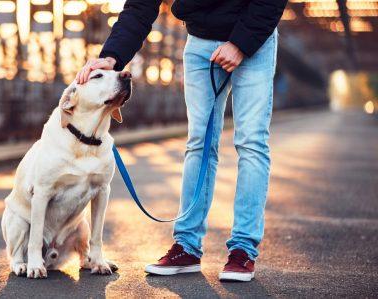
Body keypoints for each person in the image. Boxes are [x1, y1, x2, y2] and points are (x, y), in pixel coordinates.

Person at [77, 0, 287, 282]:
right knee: (198, 143)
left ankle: (242, 250)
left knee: (251, 142)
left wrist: (240, 43)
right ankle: (187, 247)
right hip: (200, 43)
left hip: (254, 42)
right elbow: (140, 6)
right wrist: (111, 57)